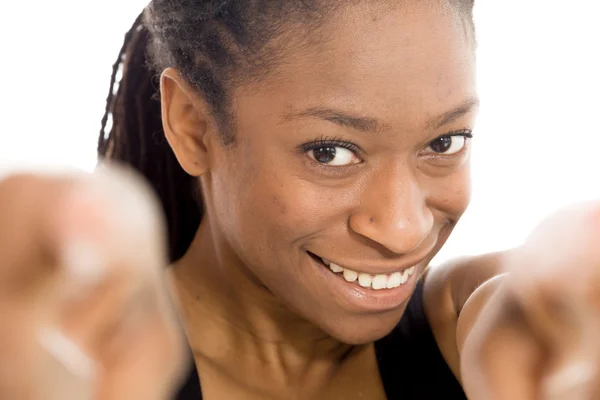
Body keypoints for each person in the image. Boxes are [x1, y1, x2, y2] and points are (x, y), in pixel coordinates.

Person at [1, 0, 599, 399]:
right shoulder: (98, 365)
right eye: (330, 152)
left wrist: (564, 318)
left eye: (445, 141)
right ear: (192, 126)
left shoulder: (463, 330)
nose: (402, 230)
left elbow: (513, 302)